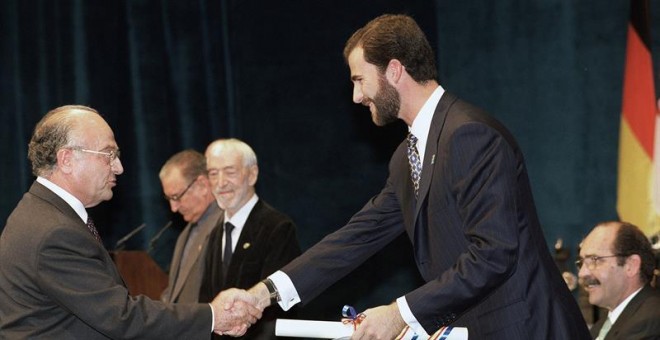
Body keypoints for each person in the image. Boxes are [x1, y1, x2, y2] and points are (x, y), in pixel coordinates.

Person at [247, 14, 591, 339]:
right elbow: (356, 237)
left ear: (394, 70)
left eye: (359, 79)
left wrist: (399, 313)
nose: (356, 97)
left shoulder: (469, 135)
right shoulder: (404, 157)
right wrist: (265, 293)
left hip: (526, 329)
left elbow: (493, 255)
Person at [0, 105, 260, 338]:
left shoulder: (41, 213)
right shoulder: (53, 231)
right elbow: (121, 318)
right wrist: (213, 316)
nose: (119, 167)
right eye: (108, 154)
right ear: (66, 159)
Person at [200, 138, 302, 339]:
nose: (221, 183)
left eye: (230, 172)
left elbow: (279, 306)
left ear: (252, 174)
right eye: (213, 174)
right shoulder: (214, 234)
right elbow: (207, 301)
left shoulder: (277, 228)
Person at [577, 221, 660, 339]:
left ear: (631, 266)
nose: (582, 273)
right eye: (581, 262)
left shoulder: (652, 321)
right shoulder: (603, 325)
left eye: (595, 260)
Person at [159, 149, 222, 303]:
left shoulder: (224, 226)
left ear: (202, 185)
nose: (173, 208)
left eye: (176, 197)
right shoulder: (186, 233)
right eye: (169, 199)